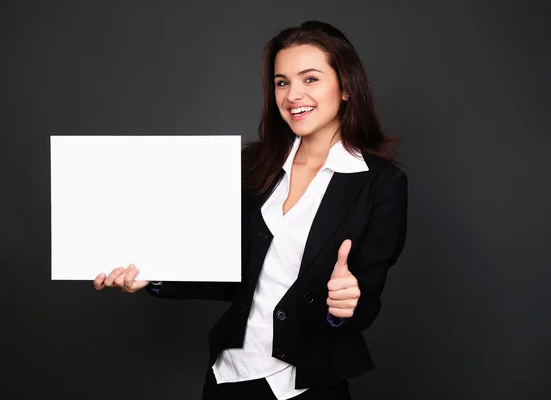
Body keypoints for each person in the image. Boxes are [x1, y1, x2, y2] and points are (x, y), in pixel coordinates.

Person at [94, 20, 408, 400]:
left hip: (308, 384)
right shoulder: (253, 164)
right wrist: (154, 275)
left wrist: (346, 303)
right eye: (282, 82)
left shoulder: (380, 183)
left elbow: (365, 302)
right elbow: (226, 268)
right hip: (231, 376)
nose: (293, 95)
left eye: (310, 79)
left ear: (345, 87)